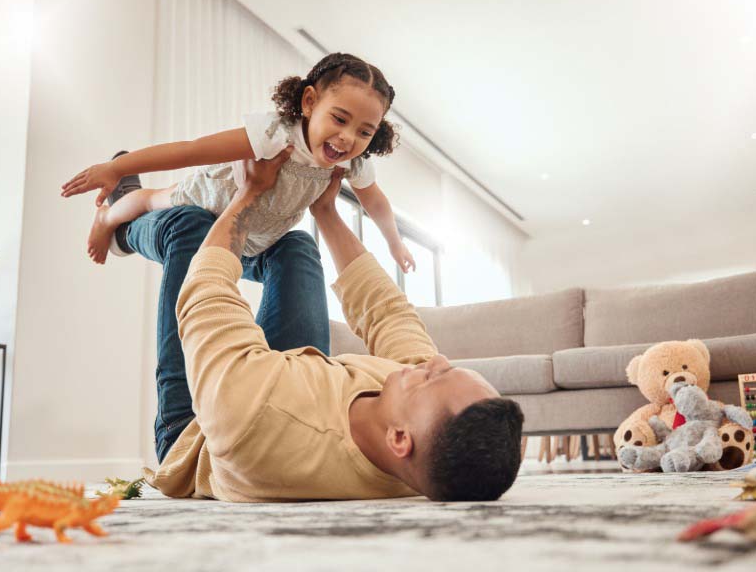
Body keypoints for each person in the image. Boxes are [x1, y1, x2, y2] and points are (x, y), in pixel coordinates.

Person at [142, 149, 525, 502]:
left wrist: (248, 194)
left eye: (432, 378)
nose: (436, 361)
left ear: (399, 438)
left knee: (191, 227)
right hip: (283, 382)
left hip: (198, 431)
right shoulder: (416, 437)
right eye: (447, 368)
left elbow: (205, 294)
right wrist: (326, 210)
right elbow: (388, 313)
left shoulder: (253, 415)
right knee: (297, 247)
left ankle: (124, 227)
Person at [60, 53, 416, 274]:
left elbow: (376, 203)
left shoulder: (352, 164)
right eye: (339, 119)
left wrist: (394, 243)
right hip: (209, 199)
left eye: (364, 132)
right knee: (153, 199)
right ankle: (108, 217)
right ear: (309, 102)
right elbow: (191, 151)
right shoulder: (277, 133)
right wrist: (117, 169)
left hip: (252, 233)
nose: (348, 138)